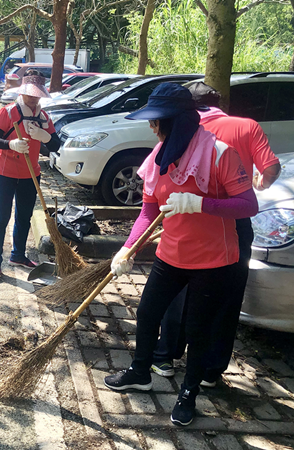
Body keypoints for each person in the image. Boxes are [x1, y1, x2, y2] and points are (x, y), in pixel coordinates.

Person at [103, 83, 258, 427]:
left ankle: (188, 393)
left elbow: (249, 204)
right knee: (147, 313)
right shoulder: (158, 156)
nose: (151, 127)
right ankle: (141, 371)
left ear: (173, 121)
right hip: (170, 255)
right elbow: (147, 211)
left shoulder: (220, 153)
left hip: (213, 261)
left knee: (197, 329)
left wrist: (202, 203)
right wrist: (128, 247)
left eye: (155, 121)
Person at [151, 81, 281, 385]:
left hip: (186, 215)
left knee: (176, 288)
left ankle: (164, 357)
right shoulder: (246, 126)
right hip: (231, 220)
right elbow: (271, 168)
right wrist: (260, 184)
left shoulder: (178, 130)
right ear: (218, 102)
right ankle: (210, 369)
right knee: (224, 297)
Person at [0, 71, 62, 277]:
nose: (33, 98)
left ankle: (18, 255)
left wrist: (44, 136)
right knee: (1, 217)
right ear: (23, 92)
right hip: (4, 173)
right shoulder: (8, 113)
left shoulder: (44, 117)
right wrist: (11, 144)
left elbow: (55, 144)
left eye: (37, 94)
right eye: (30, 94)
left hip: (30, 174)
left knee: (24, 216)